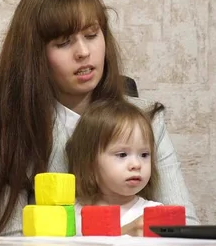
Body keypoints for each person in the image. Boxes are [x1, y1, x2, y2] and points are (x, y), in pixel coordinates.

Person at [0, 0, 199, 237]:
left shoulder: (147, 118)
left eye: (91, 35)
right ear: (35, 56)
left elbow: (183, 225)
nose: (83, 52)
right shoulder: (13, 129)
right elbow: (11, 240)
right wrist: (119, 235)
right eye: (64, 42)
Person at [66, 99, 165, 236]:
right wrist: (126, 231)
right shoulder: (69, 215)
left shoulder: (154, 214)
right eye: (122, 154)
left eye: (144, 154)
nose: (136, 165)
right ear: (90, 161)